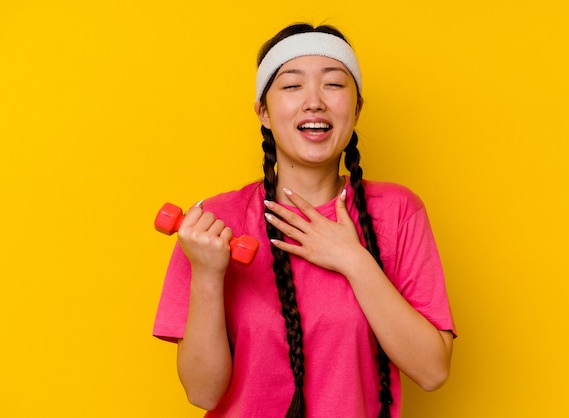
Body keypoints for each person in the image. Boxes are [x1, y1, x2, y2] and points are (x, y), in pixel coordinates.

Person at [153, 23, 456, 418]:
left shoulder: (398, 212)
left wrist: (353, 259)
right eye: (292, 86)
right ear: (263, 111)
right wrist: (208, 274)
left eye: (333, 85)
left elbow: (432, 370)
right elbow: (203, 393)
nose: (314, 102)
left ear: (357, 108)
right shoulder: (212, 226)